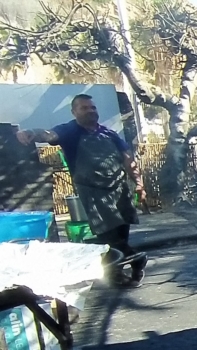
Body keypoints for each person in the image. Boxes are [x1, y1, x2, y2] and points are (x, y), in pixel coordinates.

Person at [17, 93, 147, 286]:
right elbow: (49, 134)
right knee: (107, 236)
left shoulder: (108, 133)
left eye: (92, 107)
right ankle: (134, 261)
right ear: (74, 112)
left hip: (119, 190)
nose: (90, 111)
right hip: (94, 192)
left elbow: (128, 158)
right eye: (84, 108)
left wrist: (138, 183)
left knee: (120, 234)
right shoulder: (70, 131)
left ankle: (118, 271)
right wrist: (32, 132)